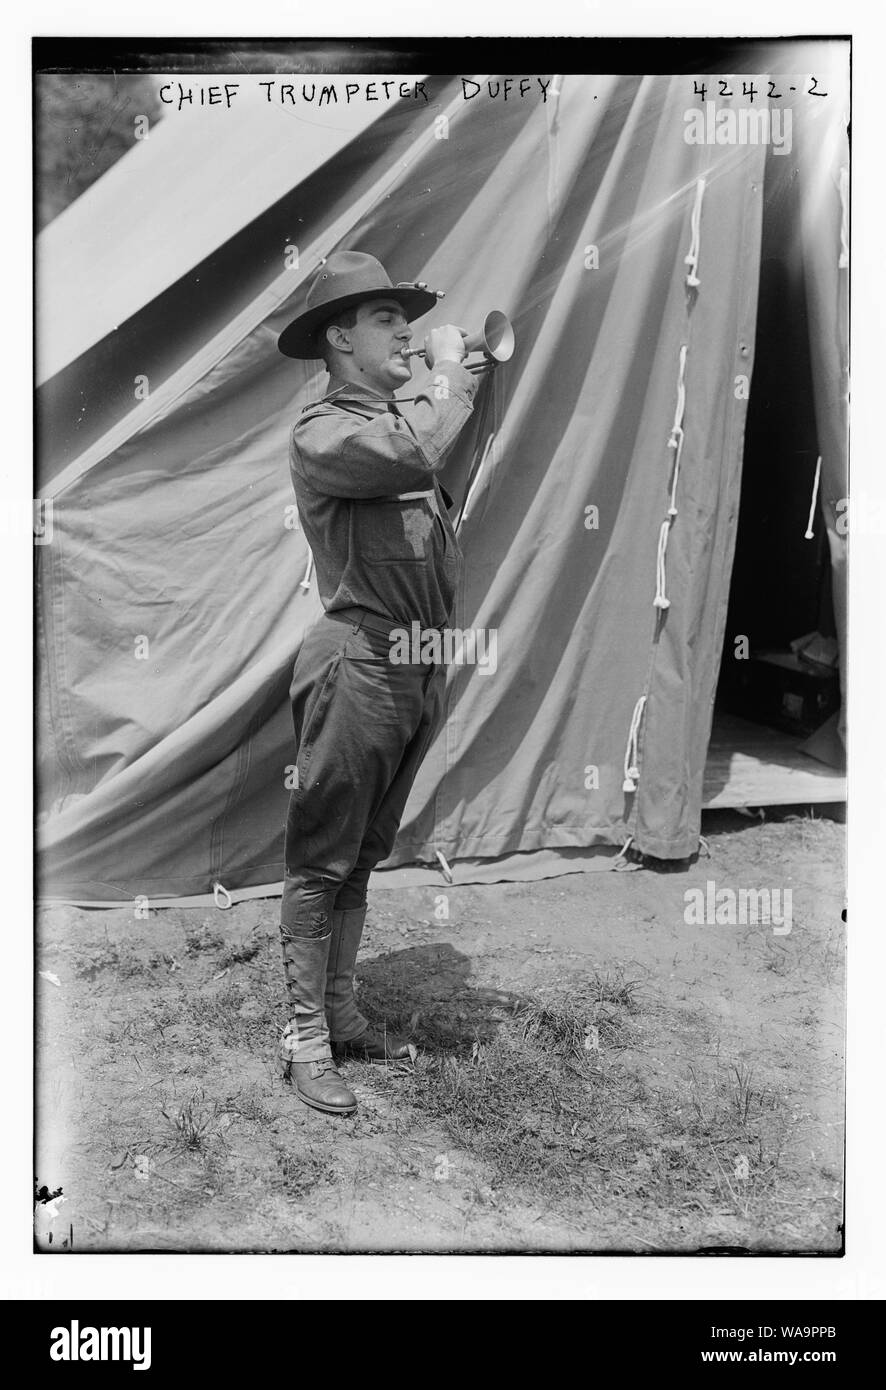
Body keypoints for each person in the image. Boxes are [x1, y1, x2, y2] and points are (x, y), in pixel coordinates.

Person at [276, 251, 480, 1115]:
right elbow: (420, 447)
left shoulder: (398, 423)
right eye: (388, 320)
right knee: (320, 862)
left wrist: (445, 383)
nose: (406, 332)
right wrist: (446, 376)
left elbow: (430, 459)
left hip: (413, 665)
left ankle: (342, 1012)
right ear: (340, 338)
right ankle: (302, 1039)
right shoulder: (327, 432)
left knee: (361, 857)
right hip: (358, 663)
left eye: (409, 320)